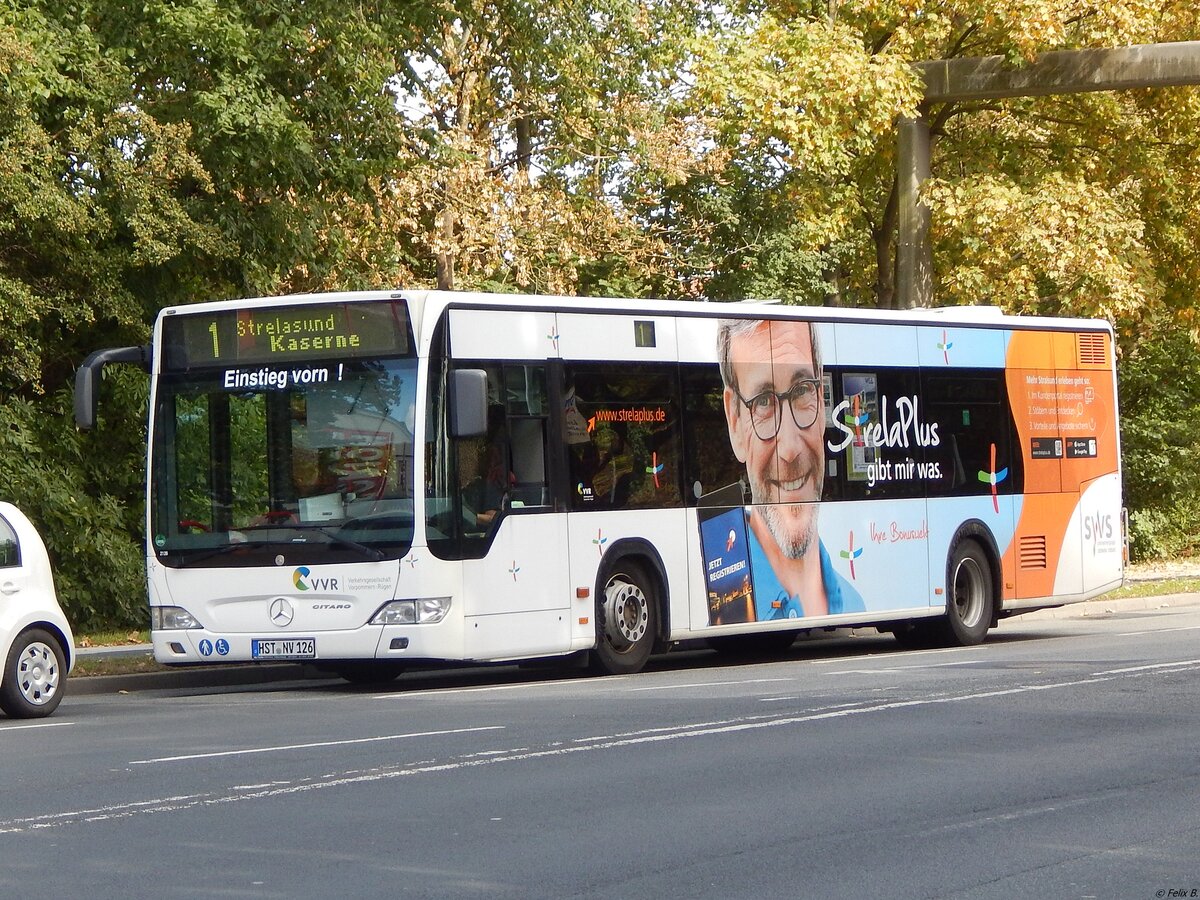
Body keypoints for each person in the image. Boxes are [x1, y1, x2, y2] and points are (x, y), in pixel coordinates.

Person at [717, 317, 864, 619]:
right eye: (763, 402)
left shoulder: (855, 605)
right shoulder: (724, 606)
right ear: (735, 423)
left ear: (821, 400)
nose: (790, 448)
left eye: (801, 392)